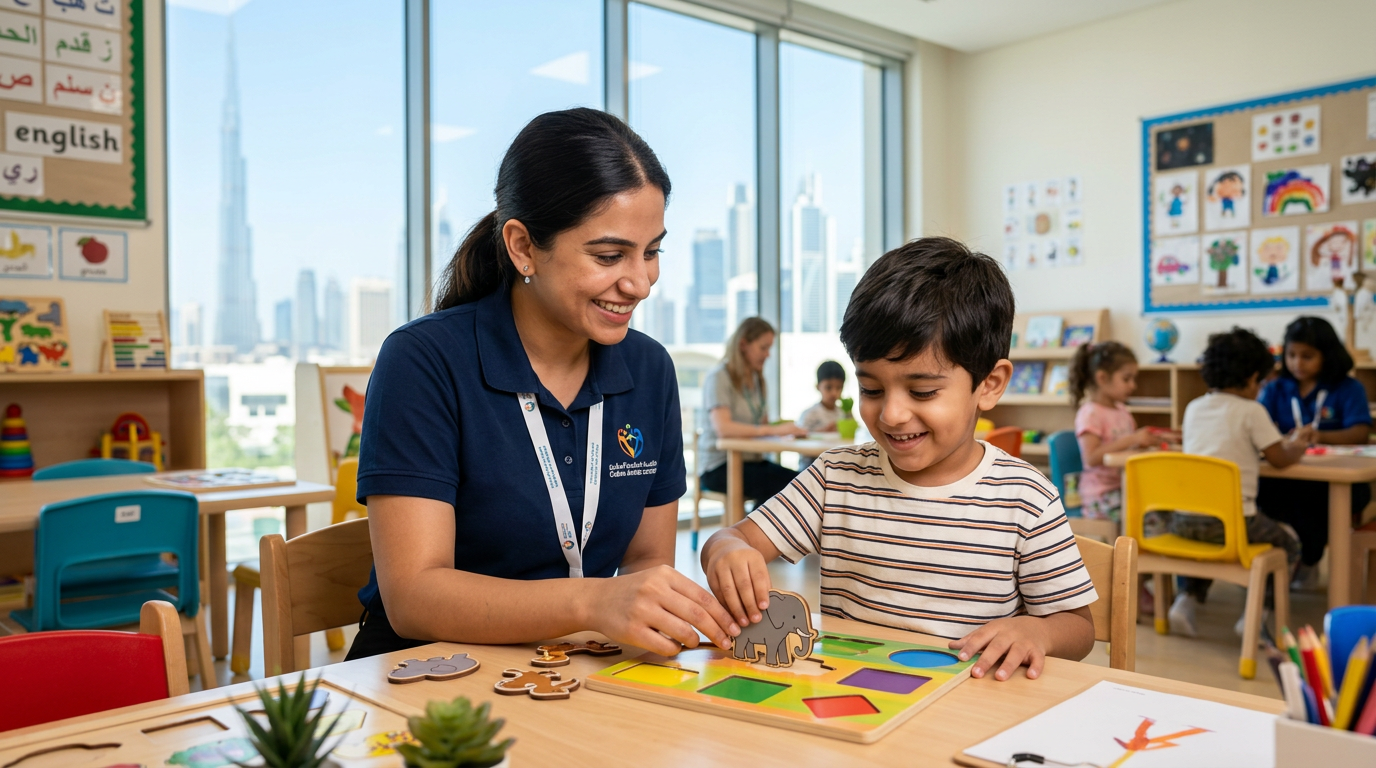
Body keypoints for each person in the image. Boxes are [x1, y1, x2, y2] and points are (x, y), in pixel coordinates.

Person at [346, 108, 737, 661]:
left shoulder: (650, 370)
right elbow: (413, 596)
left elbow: (649, 559)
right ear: (524, 247)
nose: (640, 283)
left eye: (652, 251)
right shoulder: (424, 361)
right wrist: (592, 603)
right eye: (608, 256)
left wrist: (660, 608)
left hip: (575, 668)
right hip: (429, 672)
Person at [701, 237, 1097, 683]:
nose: (891, 413)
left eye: (923, 391)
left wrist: (1036, 632)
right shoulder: (836, 478)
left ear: (989, 384)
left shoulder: (1025, 497)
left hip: (965, 708)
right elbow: (732, 538)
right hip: (852, 709)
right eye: (871, 389)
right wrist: (727, 550)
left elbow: (1079, 628)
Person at [1167, 327, 1309, 637]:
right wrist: (1298, 445)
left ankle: (1185, 602)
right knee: (1288, 542)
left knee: (1205, 542)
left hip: (1185, 521)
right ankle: (1255, 618)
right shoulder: (1252, 411)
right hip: (1234, 524)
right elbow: (1279, 458)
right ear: (1252, 377)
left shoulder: (1193, 407)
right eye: (1261, 382)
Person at [1258, 316, 1372, 588]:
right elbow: (1260, 426)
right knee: (1269, 494)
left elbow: (1359, 432)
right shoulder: (1275, 388)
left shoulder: (1348, 388)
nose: (1297, 363)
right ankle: (1299, 560)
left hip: (1333, 479)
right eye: (1291, 355)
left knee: (1317, 502)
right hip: (1288, 474)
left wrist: (1319, 436)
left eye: (1307, 356)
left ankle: (1307, 560)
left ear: (1327, 355)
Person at [697, 318, 807, 505]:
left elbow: (761, 426)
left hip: (750, 462)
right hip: (719, 467)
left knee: (803, 481)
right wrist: (772, 431)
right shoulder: (719, 377)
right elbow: (724, 428)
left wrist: (786, 429)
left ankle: (758, 531)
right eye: (763, 348)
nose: (768, 355)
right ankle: (751, 532)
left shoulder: (757, 380)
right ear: (743, 345)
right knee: (783, 486)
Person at [1069, 341, 1161, 523]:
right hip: (1101, 496)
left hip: (1124, 487)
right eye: (1126, 379)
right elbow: (1091, 458)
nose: (1133, 385)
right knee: (1150, 521)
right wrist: (1131, 439)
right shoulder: (1090, 413)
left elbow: (1128, 448)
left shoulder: (1122, 411)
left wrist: (1142, 442)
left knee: (1162, 506)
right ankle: (1130, 552)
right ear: (1102, 378)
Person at [797, 360, 845, 433]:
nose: (834, 393)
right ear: (817, 387)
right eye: (828, 387)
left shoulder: (842, 413)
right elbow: (800, 434)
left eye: (839, 387)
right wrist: (823, 431)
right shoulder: (810, 414)